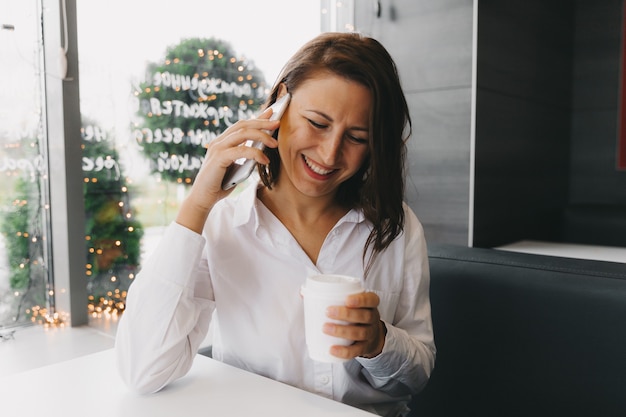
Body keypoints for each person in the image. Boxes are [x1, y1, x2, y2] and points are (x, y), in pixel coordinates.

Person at [115, 32, 435, 417]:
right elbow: (142, 371)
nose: (330, 153)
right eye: (317, 123)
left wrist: (378, 342)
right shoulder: (223, 225)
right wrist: (197, 204)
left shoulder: (396, 229)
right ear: (281, 102)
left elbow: (416, 375)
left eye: (356, 137)